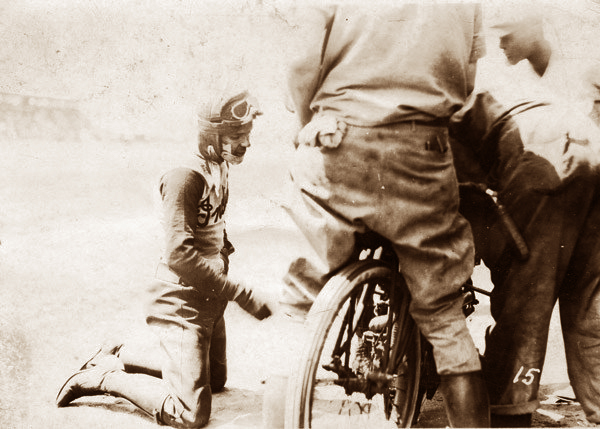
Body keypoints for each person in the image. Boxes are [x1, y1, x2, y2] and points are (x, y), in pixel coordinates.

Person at [284, 2, 489, 427]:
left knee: (299, 308)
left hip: (337, 141)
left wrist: (307, 125)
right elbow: (466, 84)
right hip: (422, 153)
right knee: (445, 319)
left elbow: (301, 63)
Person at [55, 89, 274, 428]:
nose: (246, 143)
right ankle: (102, 378)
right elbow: (178, 255)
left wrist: (223, 262)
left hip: (208, 294)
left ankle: (120, 354)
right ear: (211, 135)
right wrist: (239, 293)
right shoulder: (184, 176)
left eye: (247, 134)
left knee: (215, 381)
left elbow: (213, 226)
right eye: (237, 135)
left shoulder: (218, 163)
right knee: (190, 414)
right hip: (181, 298)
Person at [450, 90, 600, 427]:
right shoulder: (476, 94)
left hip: (544, 152)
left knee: (525, 297)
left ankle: (510, 414)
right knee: (589, 303)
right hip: (590, 142)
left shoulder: (439, 118)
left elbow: (466, 201)